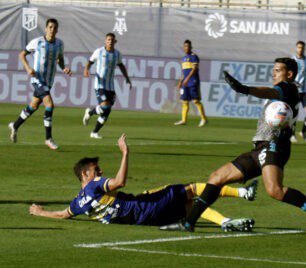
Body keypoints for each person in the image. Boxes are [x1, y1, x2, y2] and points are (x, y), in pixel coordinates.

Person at [160, 58, 306, 241]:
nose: (274, 73)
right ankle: (188, 223)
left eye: (278, 70)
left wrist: (245, 89)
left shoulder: (287, 88)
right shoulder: (284, 91)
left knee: (275, 190)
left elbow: (268, 91)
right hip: (260, 148)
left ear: (289, 74)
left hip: (274, 145)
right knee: (217, 178)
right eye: (274, 69)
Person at [29, 134, 257, 232]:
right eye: (96, 169)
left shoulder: (80, 201)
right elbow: (119, 182)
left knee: (190, 207)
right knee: (192, 189)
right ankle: (242, 194)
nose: (100, 171)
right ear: (86, 174)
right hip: (145, 207)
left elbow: (62, 214)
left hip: (143, 220)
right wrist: (125, 153)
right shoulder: (95, 184)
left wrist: (39, 212)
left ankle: (226, 220)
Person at [8, 18, 72, 150]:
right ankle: (48, 138)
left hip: (49, 81)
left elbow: (60, 59)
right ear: (46, 28)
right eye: (50, 27)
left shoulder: (60, 44)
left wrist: (64, 67)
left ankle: (15, 125)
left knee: (34, 105)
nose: (52, 30)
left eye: (54, 27)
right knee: (49, 104)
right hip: (37, 79)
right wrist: (28, 68)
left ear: (57, 30)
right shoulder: (37, 42)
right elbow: (22, 55)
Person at [82, 33, 132, 139]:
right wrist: (86, 69)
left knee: (107, 111)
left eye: (112, 40)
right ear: (105, 41)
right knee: (105, 106)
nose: (110, 41)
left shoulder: (117, 54)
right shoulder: (99, 52)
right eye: (108, 39)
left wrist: (127, 78)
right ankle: (90, 112)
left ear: (115, 42)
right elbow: (90, 62)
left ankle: (94, 132)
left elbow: (121, 65)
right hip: (100, 85)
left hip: (110, 86)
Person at [174, 40, 208, 127]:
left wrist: (187, 79)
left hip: (193, 81)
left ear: (191, 47)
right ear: (183, 47)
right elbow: (184, 72)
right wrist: (181, 81)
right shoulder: (184, 58)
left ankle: (204, 119)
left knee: (196, 101)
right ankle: (183, 120)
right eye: (185, 46)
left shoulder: (194, 57)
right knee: (184, 101)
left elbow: (194, 69)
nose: (187, 48)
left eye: (188, 46)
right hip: (185, 83)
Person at [290, 41, 306, 143]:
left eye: (302, 48)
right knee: (294, 114)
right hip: (295, 91)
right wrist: (294, 83)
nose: (301, 49)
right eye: (299, 47)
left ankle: (303, 132)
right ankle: (292, 135)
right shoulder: (292, 60)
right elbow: (288, 75)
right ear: (296, 48)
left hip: (305, 92)